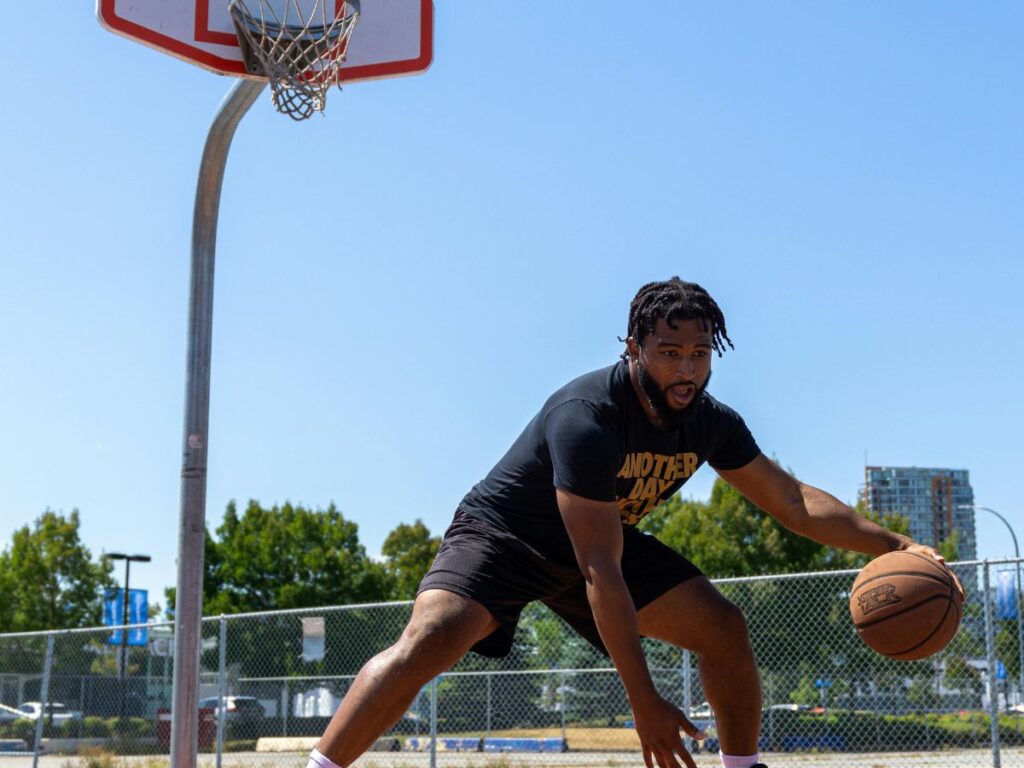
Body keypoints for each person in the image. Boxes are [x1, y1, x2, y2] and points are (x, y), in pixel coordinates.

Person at [307, 277, 949, 768]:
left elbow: (792, 502)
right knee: (431, 640)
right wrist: (643, 702)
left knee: (723, 628)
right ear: (634, 347)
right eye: (669, 352)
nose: (687, 368)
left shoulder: (710, 421)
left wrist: (898, 544)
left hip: (598, 544)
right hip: (507, 536)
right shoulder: (587, 416)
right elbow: (600, 570)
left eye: (700, 353)